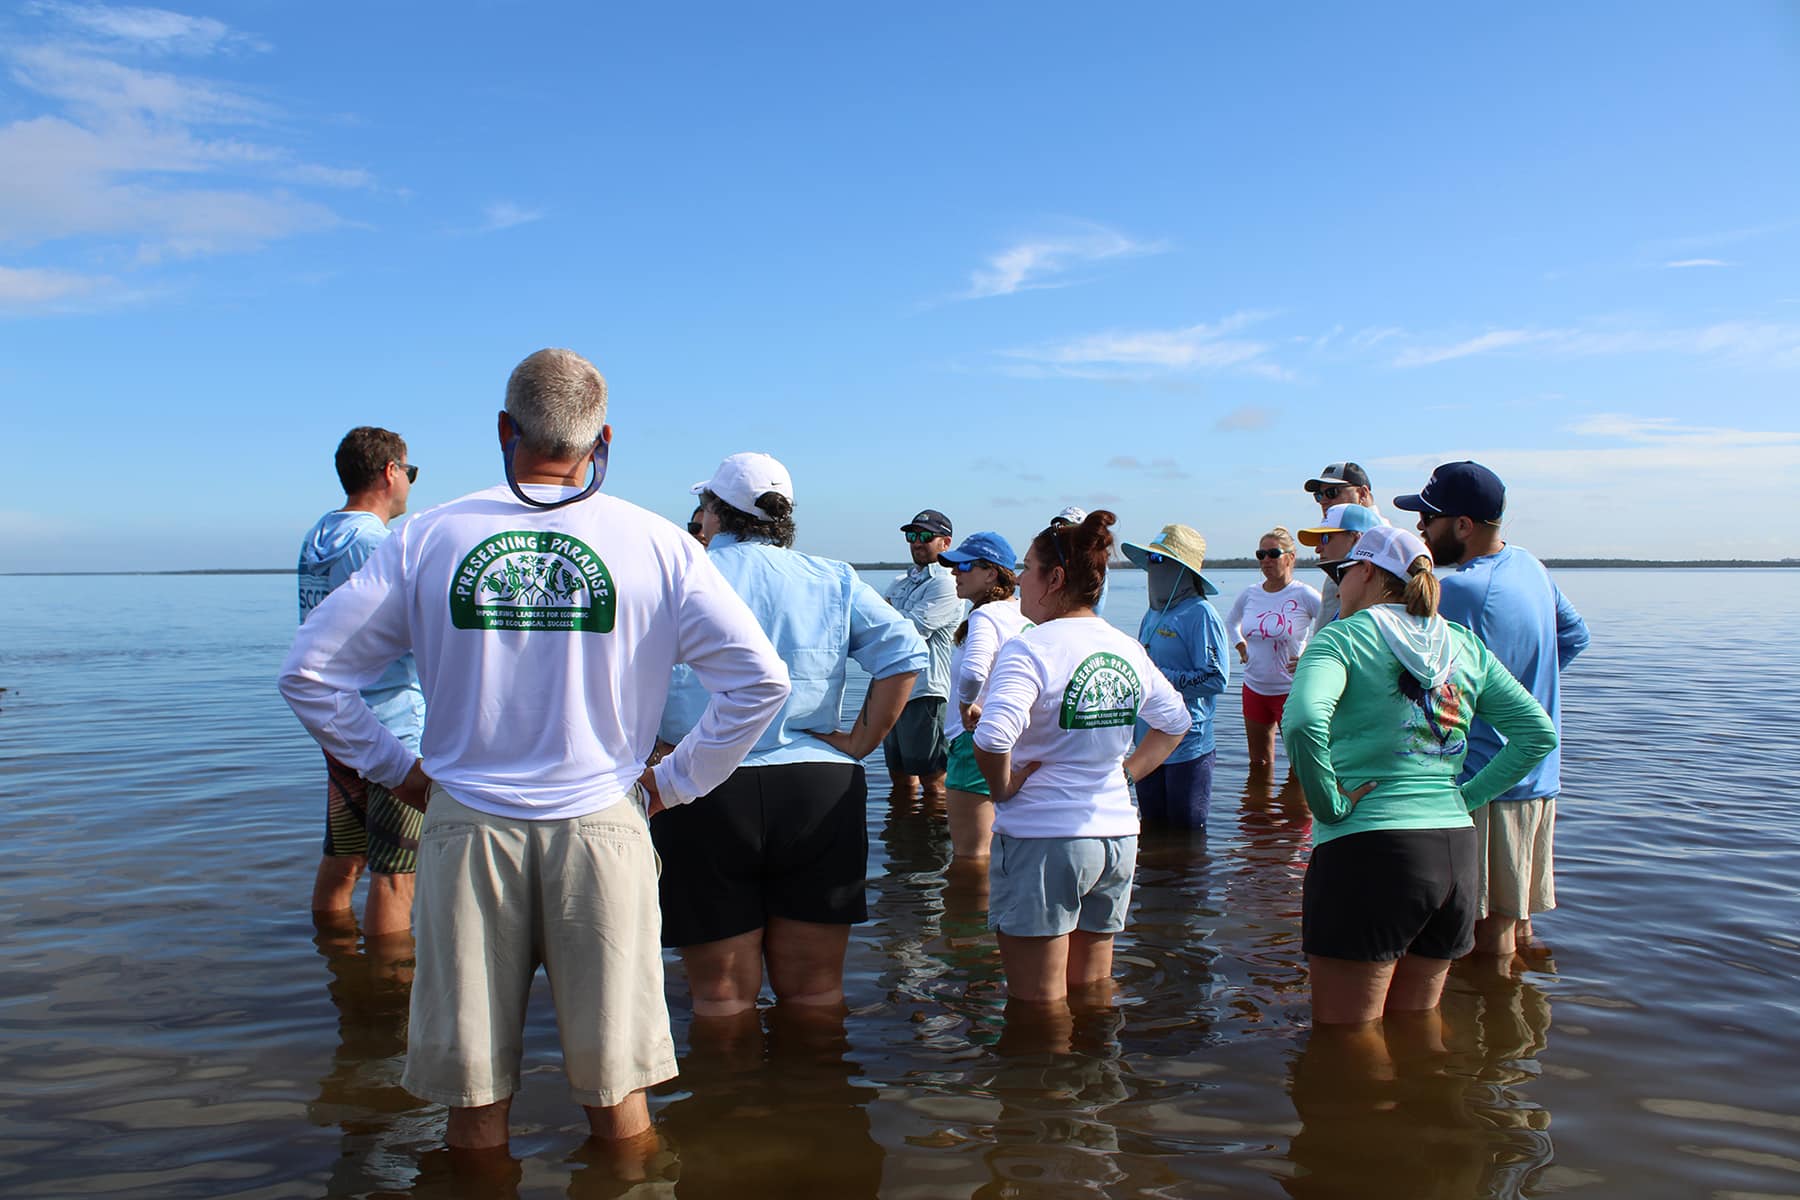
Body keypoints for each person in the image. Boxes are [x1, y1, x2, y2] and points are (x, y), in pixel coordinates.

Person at [279, 349, 791, 1152]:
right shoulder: (658, 543)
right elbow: (761, 683)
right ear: (604, 437)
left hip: (466, 826)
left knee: (473, 1104)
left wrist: (399, 773)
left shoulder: (428, 537)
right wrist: (671, 785)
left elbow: (310, 673)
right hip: (605, 828)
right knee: (619, 1097)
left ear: (502, 429)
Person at [656, 452, 926, 1018]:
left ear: (713, 510)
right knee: (817, 992)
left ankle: (733, 1104)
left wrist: (649, 748)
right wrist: (860, 742)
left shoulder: (680, 578)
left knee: (720, 999)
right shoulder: (832, 577)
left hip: (700, 786)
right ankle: (820, 1099)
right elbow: (905, 654)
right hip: (817, 785)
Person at [1280, 526, 1557, 1023]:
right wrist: (1467, 796)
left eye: (1341, 574)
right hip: (1454, 854)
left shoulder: (1342, 638)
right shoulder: (1463, 645)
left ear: (1365, 572)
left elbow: (1300, 721)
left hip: (1367, 851)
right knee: (1417, 1028)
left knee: (1347, 1038)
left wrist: (1329, 804)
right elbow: (1538, 735)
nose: (1338, 587)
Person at [972, 511, 1191, 1003]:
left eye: (1026, 568)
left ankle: (1044, 1080)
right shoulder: (1126, 646)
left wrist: (1002, 788)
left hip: (1044, 836)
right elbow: (1175, 722)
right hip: (1115, 835)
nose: (1019, 581)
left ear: (1054, 579)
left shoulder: (1030, 648)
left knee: (1037, 1004)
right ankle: (1099, 1074)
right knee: (1093, 990)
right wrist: (1126, 775)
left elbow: (990, 739)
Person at [1394, 461, 1589, 958]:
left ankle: (1488, 1025)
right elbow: (1575, 635)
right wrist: (1522, 695)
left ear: (1463, 526)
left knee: (1482, 934)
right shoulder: (1530, 566)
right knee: (1516, 919)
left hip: (1485, 784)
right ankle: (1524, 1015)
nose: (1420, 527)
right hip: (1539, 778)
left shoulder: (1460, 591)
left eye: (1429, 517)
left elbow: (1415, 681)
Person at [295, 426, 426, 937]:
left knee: (344, 857)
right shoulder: (375, 544)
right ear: (390, 472)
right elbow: (407, 636)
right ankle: (387, 998)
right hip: (390, 725)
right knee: (396, 875)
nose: (410, 485)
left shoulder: (319, 535)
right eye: (409, 472)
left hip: (340, 726)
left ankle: (337, 965)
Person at [1118, 524, 1230, 830]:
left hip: (1187, 746)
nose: (1152, 570)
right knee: (1151, 831)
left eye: (1160, 561)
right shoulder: (1152, 613)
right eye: (1150, 561)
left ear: (1181, 570)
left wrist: (1160, 679)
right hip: (1147, 745)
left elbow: (1216, 678)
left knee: (1187, 837)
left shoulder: (1201, 613)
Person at [937, 531, 1031, 860]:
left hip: (975, 740)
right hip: (1016, 739)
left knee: (970, 855)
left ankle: (966, 912)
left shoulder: (985, 616)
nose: (954, 573)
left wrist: (966, 707)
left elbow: (975, 670)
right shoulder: (1023, 615)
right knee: (1004, 847)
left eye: (963, 566)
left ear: (991, 573)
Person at [882, 508, 965, 801]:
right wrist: (889, 618)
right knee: (900, 776)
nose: (917, 542)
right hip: (891, 691)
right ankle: (904, 841)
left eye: (926, 536)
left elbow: (912, 630)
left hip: (926, 693)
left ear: (946, 542)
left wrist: (888, 615)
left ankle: (935, 842)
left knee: (934, 780)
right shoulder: (899, 582)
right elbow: (877, 626)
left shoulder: (946, 583)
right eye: (912, 535)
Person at [1225, 528, 1321, 770]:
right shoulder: (1250, 594)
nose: (1266, 560)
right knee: (1259, 763)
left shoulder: (1304, 594)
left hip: (1291, 691)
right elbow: (1230, 622)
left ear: (1290, 557)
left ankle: (1294, 808)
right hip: (1254, 689)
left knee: (1300, 768)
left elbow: (1334, 624)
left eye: (1273, 553)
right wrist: (1240, 645)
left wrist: (1310, 657)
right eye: (1261, 554)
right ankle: (1259, 808)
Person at [1303, 463, 1386, 640]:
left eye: (1332, 492)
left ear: (1362, 494)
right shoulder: (1384, 538)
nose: (1323, 500)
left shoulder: (1380, 541)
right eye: (1318, 495)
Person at [1296, 503, 1381, 629]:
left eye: (1325, 538)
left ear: (1356, 538)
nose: (1318, 549)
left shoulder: (1374, 605)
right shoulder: (1342, 590)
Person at [1051, 506, 1107, 614]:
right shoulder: (1059, 556)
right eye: (1060, 525)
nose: (1062, 529)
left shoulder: (1093, 563)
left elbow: (1096, 608)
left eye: (1068, 525)